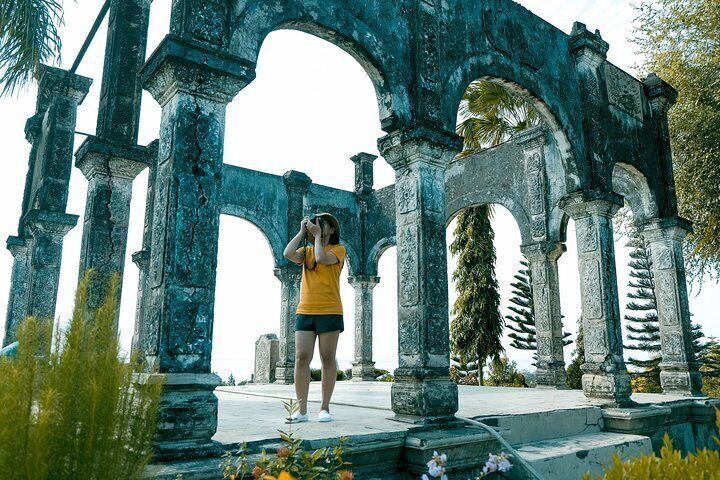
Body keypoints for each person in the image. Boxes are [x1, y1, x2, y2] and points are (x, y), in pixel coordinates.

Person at [283, 212, 346, 423]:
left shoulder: (338, 250)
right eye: (317, 223)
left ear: (332, 229)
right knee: (302, 358)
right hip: (305, 310)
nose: (319, 225)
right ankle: (301, 410)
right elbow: (287, 253)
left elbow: (321, 258)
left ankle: (324, 408)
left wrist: (317, 237)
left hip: (330, 309)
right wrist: (302, 232)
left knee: (327, 358)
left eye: (324, 223)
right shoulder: (306, 251)